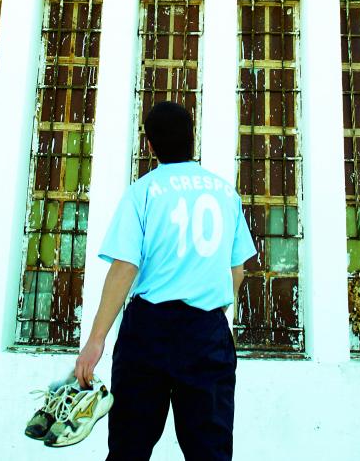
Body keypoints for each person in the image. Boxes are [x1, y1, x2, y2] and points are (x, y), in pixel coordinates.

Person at [74, 101, 256, 461]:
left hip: (149, 331)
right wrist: (220, 322)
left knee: (129, 445)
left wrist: (96, 341)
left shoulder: (142, 192)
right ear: (192, 138)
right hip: (206, 330)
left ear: (150, 146)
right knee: (211, 450)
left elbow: (124, 268)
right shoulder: (224, 193)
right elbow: (238, 268)